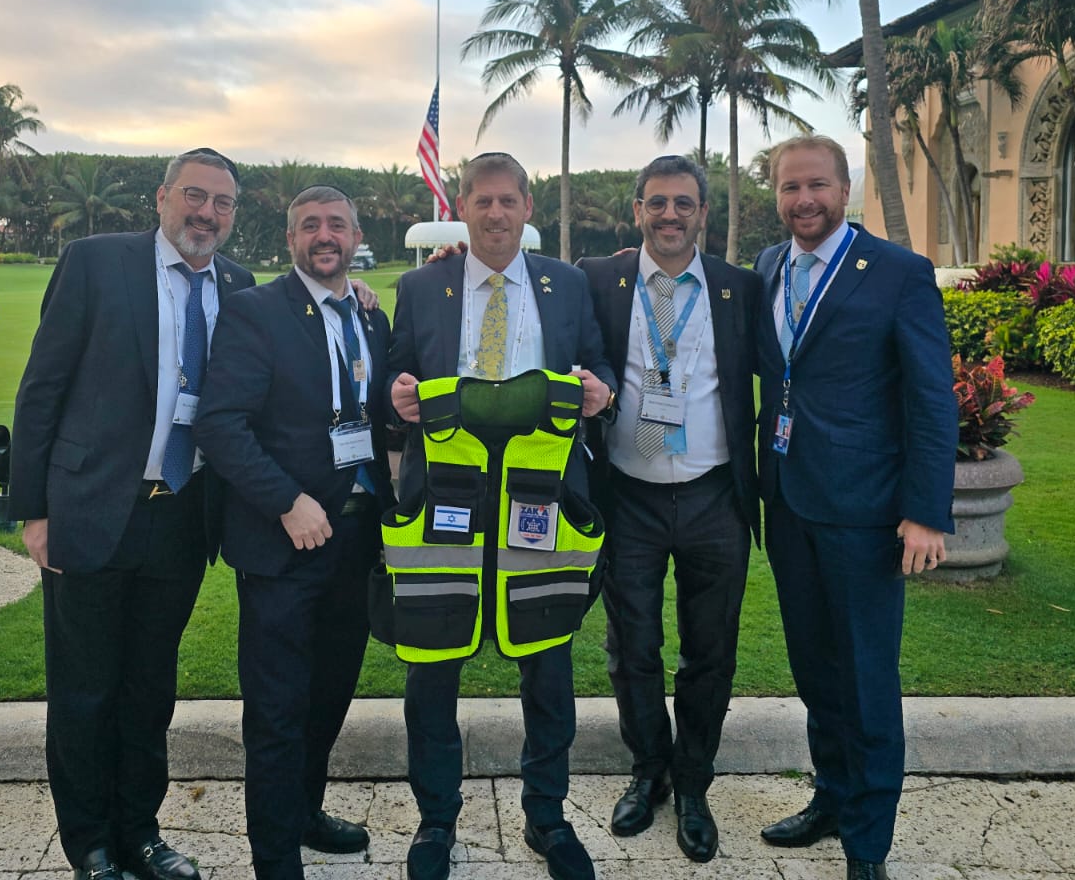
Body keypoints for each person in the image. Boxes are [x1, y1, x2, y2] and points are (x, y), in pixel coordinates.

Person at [8, 148, 253, 880]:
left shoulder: (240, 286)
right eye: (194, 196)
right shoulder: (95, 263)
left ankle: (141, 833)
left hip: (182, 518)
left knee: (150, 690)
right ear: (162, 197)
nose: (206, 213)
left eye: (222, 203)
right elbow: (41, 389)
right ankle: (90, 844)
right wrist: (33, 510)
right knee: (84, 690)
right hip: (90, 510)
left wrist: (359, 293)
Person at [387, 152, 615, 880]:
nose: (494, 213)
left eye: (507, 201)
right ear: (462, 206)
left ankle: (547, 816)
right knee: (433, 670)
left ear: (526, 207)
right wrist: (395, 395)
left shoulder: (566, 284)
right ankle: (435, 822)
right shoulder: (421, 286)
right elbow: (393, 374)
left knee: (548, 665)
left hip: (540, 500)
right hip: (443, 502)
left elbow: (599, 363)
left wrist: (601, 391)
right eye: (481, 201)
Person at [753, 135, 957, 880]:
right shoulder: (769, 266)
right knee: (815, 670)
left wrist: (925, 512)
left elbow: (931, 398)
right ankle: (832, 797)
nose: (803, 200)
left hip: (865, 511)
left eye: (817, 185)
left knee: (867, 681)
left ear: (845, 190)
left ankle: (868, 845)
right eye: (790, 187)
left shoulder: (898, 272)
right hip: (789, 502)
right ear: (777, 196)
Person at [195, 186, 393, 880]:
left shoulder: (369, 315)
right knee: (277, 713)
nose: (324, 235)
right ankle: (276, 860)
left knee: (329, 697)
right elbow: (220, 423)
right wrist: (286, 501)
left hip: (357, 540)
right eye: (310, 225)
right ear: (290, 240)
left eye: (337, 224)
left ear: (356, 237)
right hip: (284, 545)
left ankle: (305, 812)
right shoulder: (255, 311)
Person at [577, 155, 762, 863]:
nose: (670, 215)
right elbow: (531, 289)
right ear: (637, 211)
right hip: (630, 495)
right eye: (657, 203)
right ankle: (648, 769)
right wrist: (452, 257)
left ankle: (693, 782)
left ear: (703, 213)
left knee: (710, 651)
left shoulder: (739, 288)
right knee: (633, 648)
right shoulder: (600, 279)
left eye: (684, 203)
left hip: (715, 494)